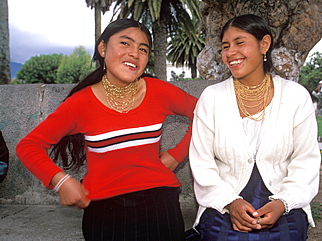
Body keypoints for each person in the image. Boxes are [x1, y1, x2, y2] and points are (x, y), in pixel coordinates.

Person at [16, 19, 197, 241]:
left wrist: (175, 156)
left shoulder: (159, 91)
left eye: (143, 49)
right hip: (104, 209)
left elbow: (205, 115)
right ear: (102, 48)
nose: (134, 53)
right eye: (125, 43)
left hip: (160, 204)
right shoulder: (80, 104)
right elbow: (28, 146)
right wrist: (61, 180)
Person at [189, 14, 320, 240]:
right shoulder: (212, 98)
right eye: (225, 46)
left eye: (240, 43)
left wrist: (283, 202)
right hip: (224, 203)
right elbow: (202, 163)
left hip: (283, 204)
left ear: (264, 44)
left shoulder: (295, 96)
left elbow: (305, 161)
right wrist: (230, 202)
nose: (231, 53)